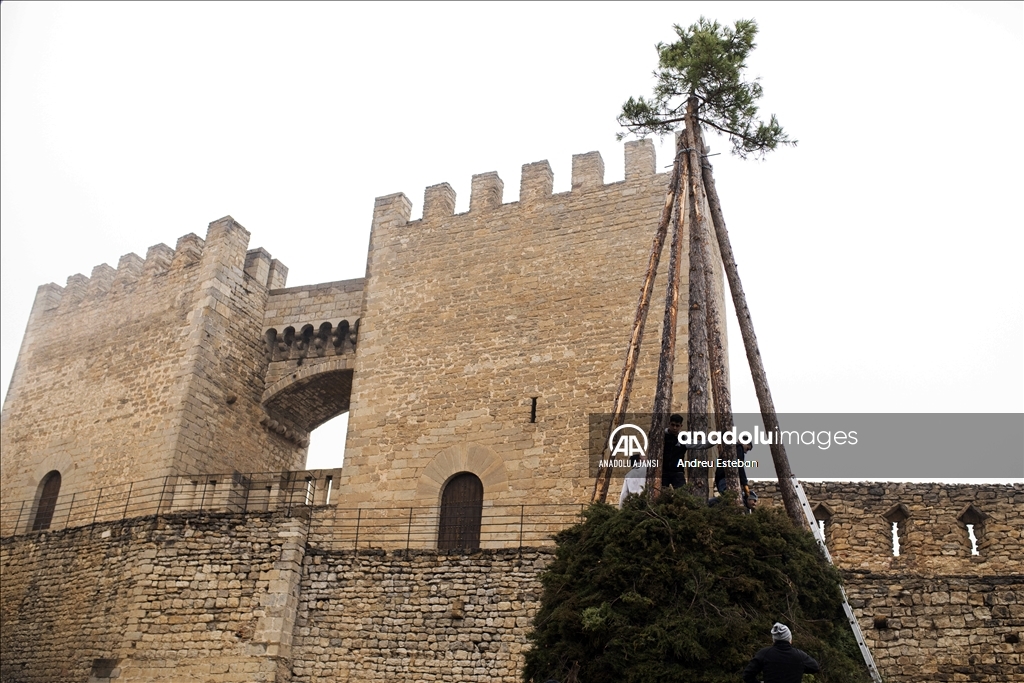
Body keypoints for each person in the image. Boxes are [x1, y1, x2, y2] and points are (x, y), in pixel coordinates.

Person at [742, 622, 819, 683]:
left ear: (774, 639)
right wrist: (797, 668)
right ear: (790, 639)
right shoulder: (799, 656)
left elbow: (747, 675)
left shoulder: (764, 654)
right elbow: (815, 667)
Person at [714, 441, 757, 511]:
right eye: (747, 449)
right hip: (725, 480)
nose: (746, 452)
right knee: (732, 502)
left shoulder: (728, 449)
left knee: (727, 503)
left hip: (720, 480)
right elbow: (740, 467)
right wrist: (745, 483)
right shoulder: (738, 448)